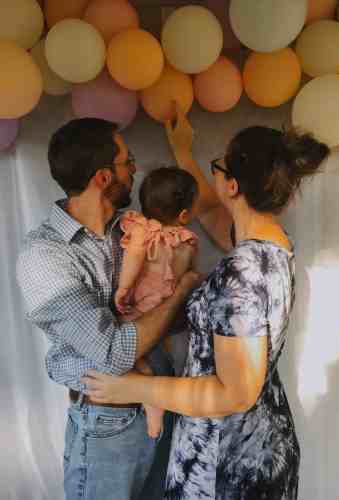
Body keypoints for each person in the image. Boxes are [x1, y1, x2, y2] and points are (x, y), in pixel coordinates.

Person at [82, 108, 331, 499]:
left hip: (226, 463)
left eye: (218, 167)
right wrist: (184, 153)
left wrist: (132, 388)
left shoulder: (243, 271)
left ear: (233, 185)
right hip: (257, 442)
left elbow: (233, 394)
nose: (213, 178)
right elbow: (214, 211)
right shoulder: (272, 243)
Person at [16, 118, 199, 500]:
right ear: (102, 177)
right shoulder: (45, 254)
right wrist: (181, 288)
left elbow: (170, 320)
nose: (135, 169)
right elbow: (113, 353)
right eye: (127, 161)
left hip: (163, 400)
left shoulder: (134, 231)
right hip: (108, 426)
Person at [115, 167, 199, 439]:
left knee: (131, 352)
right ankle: (156, 396)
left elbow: (135, 256)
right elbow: (188, 273)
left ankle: (150, 396)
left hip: (142, 304)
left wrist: (124, 287)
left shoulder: (142, 230)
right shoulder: (185, 239)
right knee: (162, 347)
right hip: (169, 307)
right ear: (184, 215)